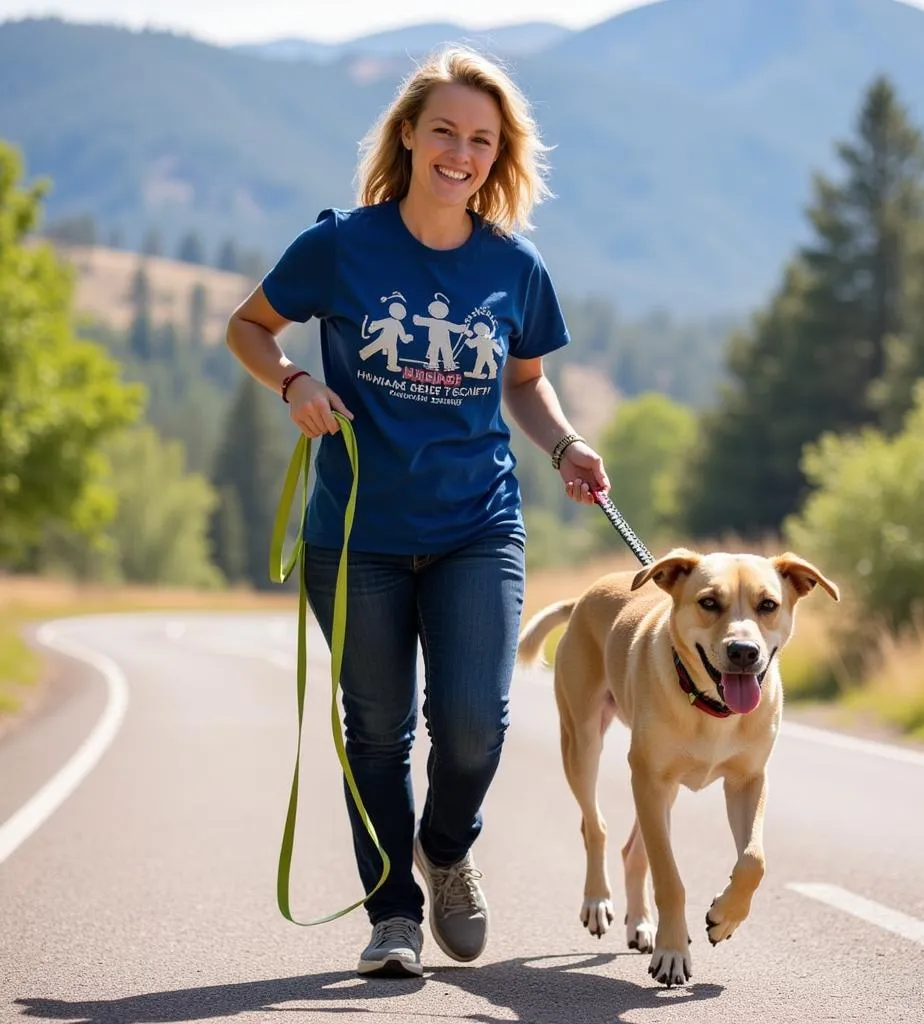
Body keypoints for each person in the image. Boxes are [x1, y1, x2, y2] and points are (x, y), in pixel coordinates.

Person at [225, 44, 610, 979]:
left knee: (475, 720)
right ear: (408, 134)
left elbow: (526, 384)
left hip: (478, 525)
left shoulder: (515, 267)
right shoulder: (342, 246)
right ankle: (393, 914)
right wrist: (292, 382)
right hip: (356, 535)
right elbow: (248, 325)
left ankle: (446, 848)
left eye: (481, 139)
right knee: (377, 729)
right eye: (444, 130)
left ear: (497, 155)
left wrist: (562, 444)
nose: (461, 152)